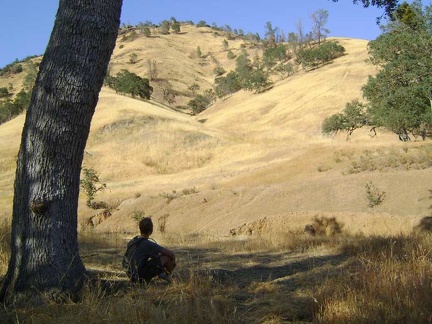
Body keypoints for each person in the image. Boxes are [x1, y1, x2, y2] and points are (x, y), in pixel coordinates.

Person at [123, 217, 176, 283]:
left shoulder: (133, 241)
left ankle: (161, 273)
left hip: (130, 274)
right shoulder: (148, 244)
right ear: (151, 231)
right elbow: (170, 253)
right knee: (166, 258)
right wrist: (173, 261)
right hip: (139, 275)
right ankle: (169, 275)